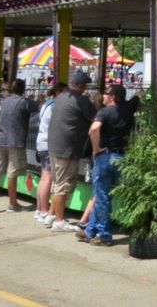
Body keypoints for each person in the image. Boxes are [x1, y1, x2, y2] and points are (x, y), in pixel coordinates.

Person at [78, 84, 133, 246]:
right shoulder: (128, 110)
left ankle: (104, 234)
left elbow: (93, 129)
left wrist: (96, 149)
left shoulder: (104, 112)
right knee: (101, 195)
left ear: (113, 97)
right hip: (122, 158)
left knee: (102, 197)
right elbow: (140, 95)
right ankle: (90, 230)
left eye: (106, 93)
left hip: (106, 157)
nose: (103, 95)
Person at [0, 78, 37, 215]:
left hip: (0, 139)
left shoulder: (4, 101)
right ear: (23, 89)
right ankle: (12, 203)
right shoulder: (24, 102)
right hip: (15, 142)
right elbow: (39, 106)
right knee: (12, 173)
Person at [45, 71, 95, 232]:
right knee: (62, 185)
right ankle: (59, 221)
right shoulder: (81, 100)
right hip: (67, 148)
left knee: (57, 182)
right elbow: (95, 118)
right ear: (81, 86)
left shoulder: (60, 97)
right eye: (85, 86)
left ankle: (52, 215)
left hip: (54, 146)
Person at [34, 82, 66, 225]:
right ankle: (44, 211)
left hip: (41, 142)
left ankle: (39, 209)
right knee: (47, 178)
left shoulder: (46, 104)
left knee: (43, 178)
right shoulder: (55, 106)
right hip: (48, 143)